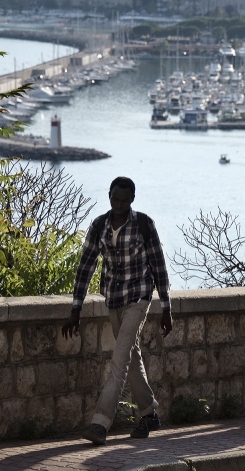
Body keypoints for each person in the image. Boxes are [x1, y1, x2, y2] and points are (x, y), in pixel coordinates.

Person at [62, 176, 172, 446]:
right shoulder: (99, 225)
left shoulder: (144, 224)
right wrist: (75, 308)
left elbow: (159, 266)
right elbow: (85, 268)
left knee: (119, 359)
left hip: (139, 297)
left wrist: (166, 307)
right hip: (113, 299)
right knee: (131, 356)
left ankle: (100, 424)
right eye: (115, 199)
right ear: (109, 196)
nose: (119, 205)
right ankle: (149, 414)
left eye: (125, 200)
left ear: (132, 199)